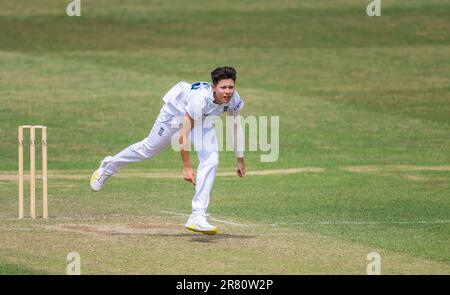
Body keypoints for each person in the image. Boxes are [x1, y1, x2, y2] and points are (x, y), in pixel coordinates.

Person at [90, 66, 245, 235]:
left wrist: (240, 159)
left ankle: (197, 216)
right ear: (213, 87)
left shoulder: (233, 99)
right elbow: (183, 135)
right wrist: (186, 167)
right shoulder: (200, 100)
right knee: (148, 150)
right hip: (174, 113)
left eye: (231, 87)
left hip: (202, 119)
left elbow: (235, 126)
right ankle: (109, 166)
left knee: (212, 160)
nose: (228, 91)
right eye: (223, 87)